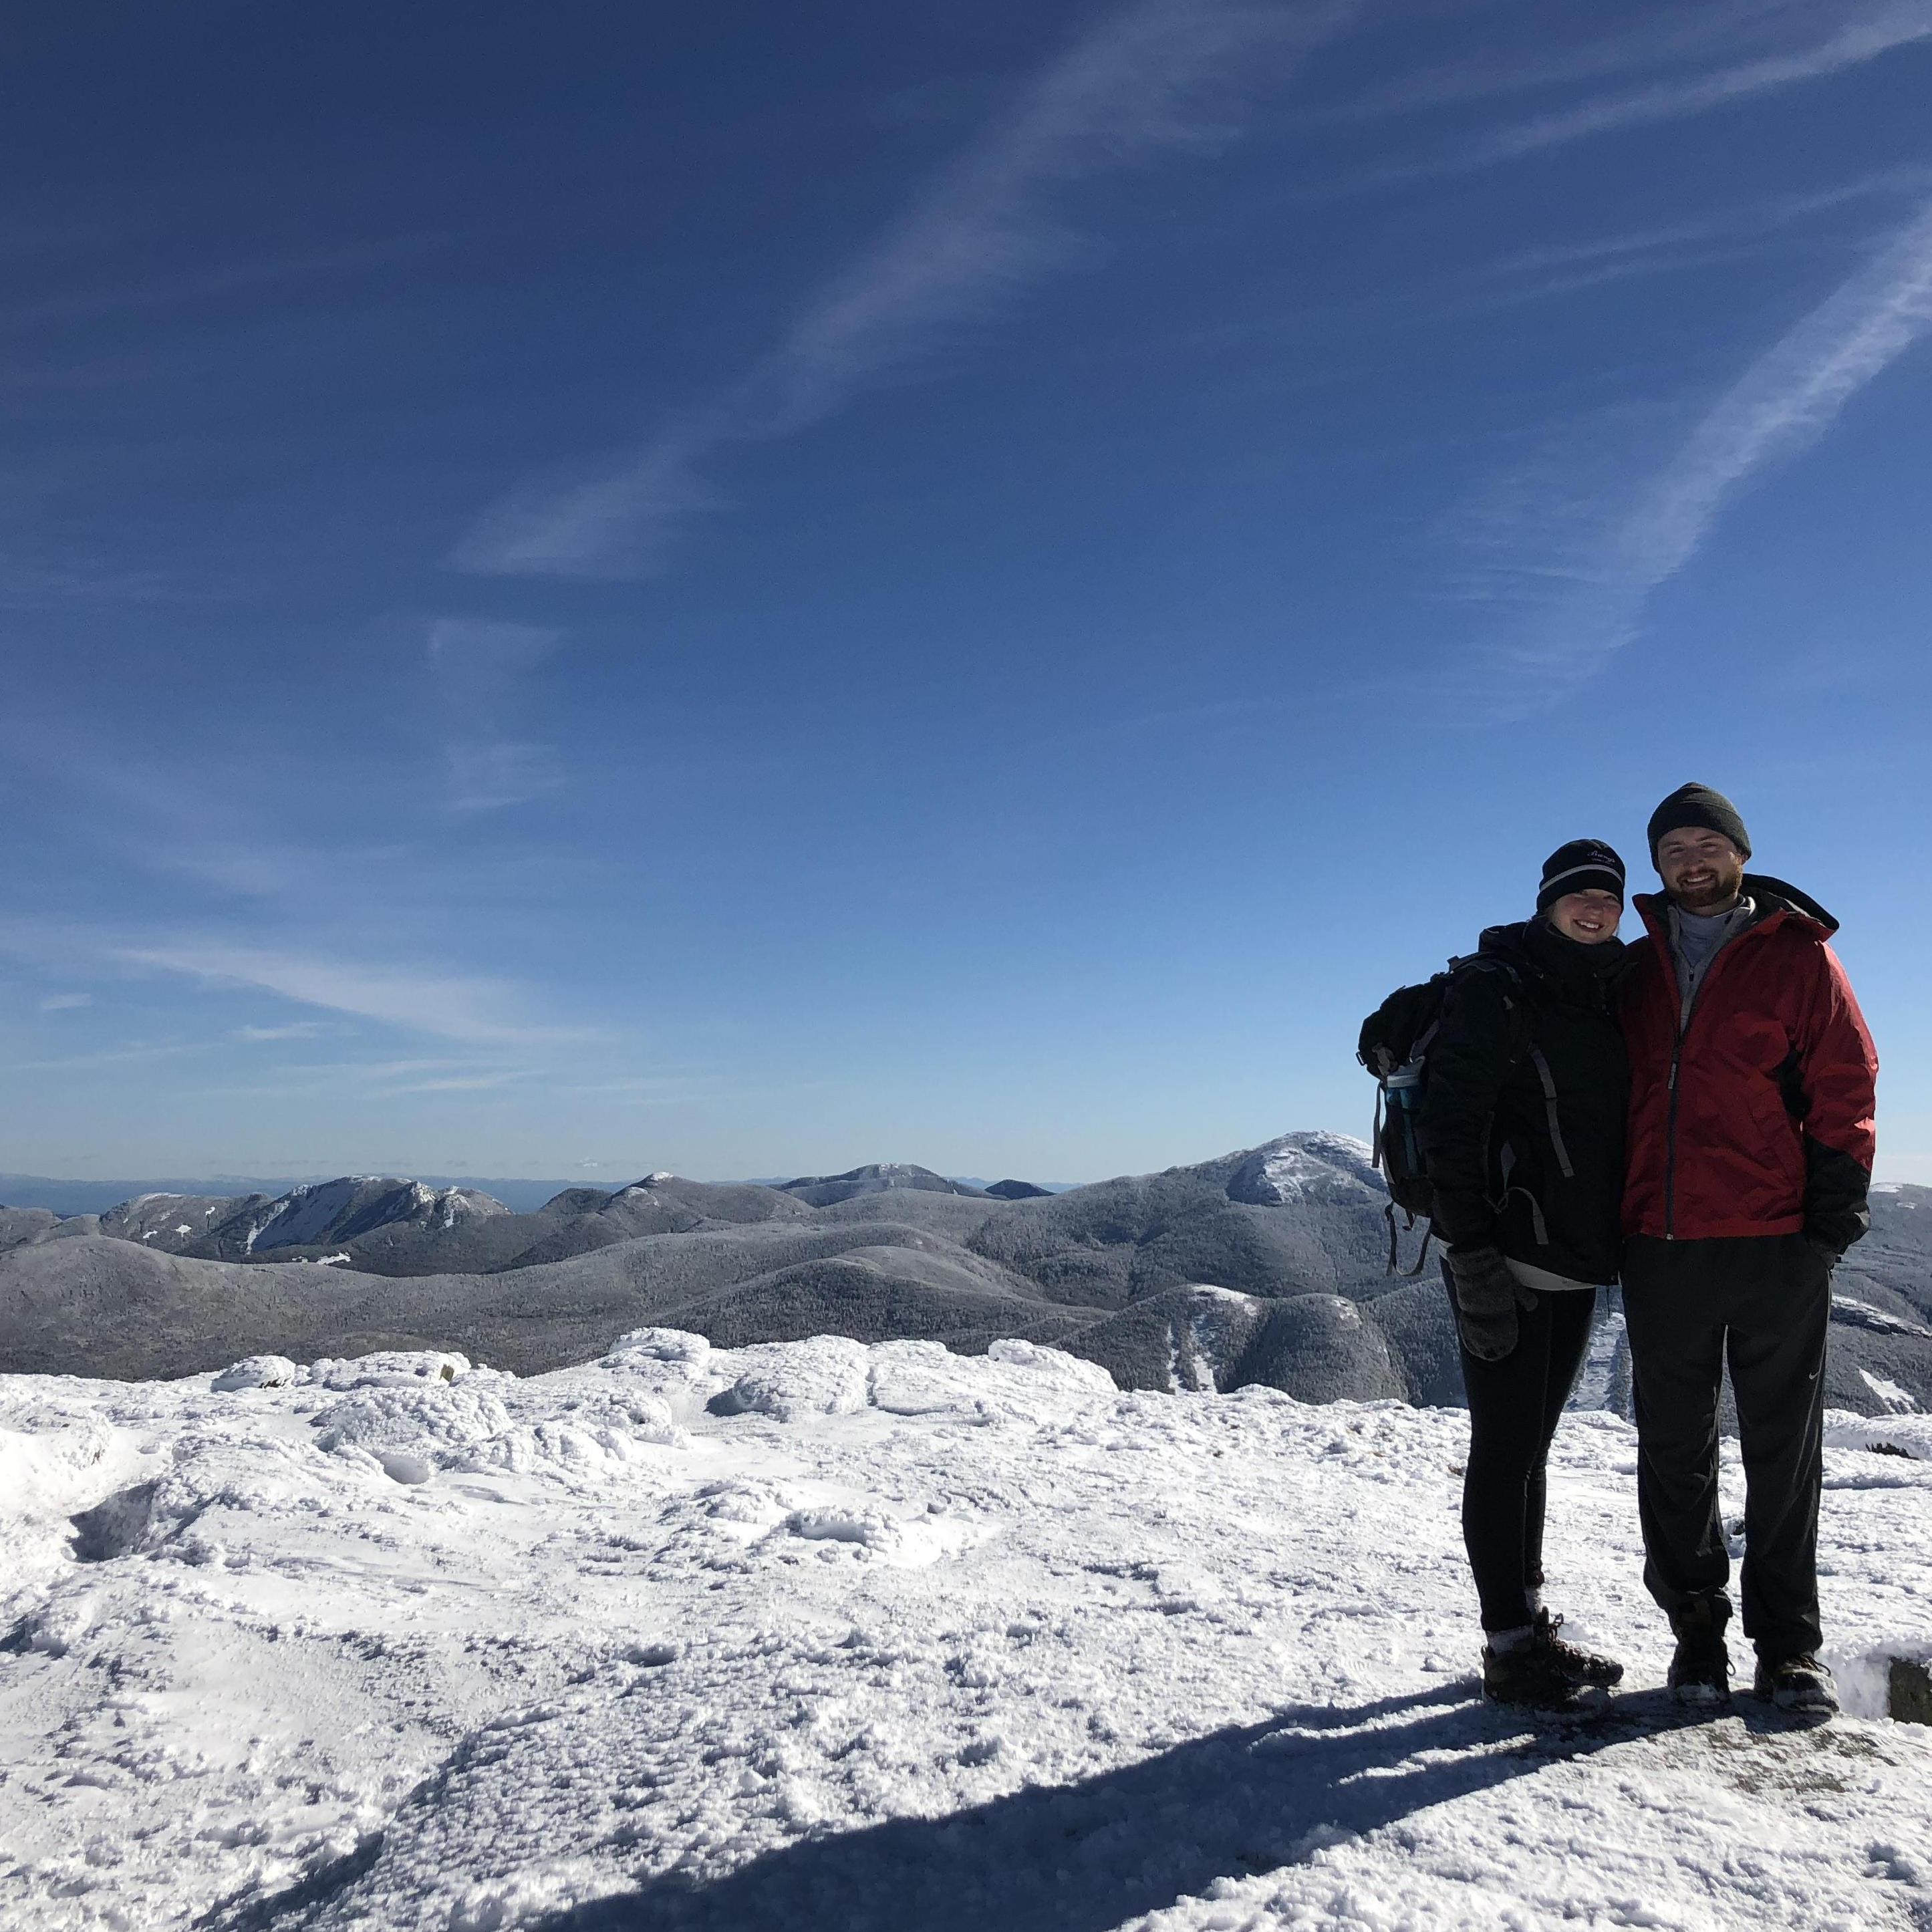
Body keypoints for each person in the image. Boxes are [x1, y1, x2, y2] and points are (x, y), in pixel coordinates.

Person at [1619, 783, 1878, 1715]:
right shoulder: (1634, 965)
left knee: (1783, 1451)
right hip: (1661, 1242)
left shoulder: (1799, 955)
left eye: (1705, 843)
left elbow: (1848, 1077)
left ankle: (1789, 1648)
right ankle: (1696, 1632)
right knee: (1674, 1450)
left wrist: (1834, 1211)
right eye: (1672, 849)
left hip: (1775, 1242)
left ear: (1737, 852)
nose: (1690, 861)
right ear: (1656, 866)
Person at [1422, 839, 1631, 1707]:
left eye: (1609, 899)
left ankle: (1528, 1625)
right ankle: (1508, 1647)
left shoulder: (1608, 990)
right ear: (1548, 902)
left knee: (1532, 1449)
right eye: (1578, 895)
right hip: (1504, 1256)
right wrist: (1469, 1252)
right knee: (1503, 1450)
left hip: (1576, 1261)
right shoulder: (1499, 986)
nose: (1594, 909)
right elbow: (1449, 1122)